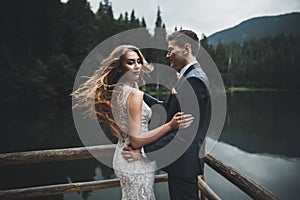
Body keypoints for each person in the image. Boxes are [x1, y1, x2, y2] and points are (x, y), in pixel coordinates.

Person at [71, 45, 194, 200]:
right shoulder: (134, 95)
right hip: (134, 160)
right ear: (120, 68)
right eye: (130, 62)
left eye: (138, 61)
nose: (137, 66)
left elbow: (120, 129)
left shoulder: (119, 91)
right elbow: (136, 140)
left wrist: (175, 94)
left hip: (122, 155)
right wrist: (170, 125)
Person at [122, 30, 211, 200]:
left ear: (186, 48)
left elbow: (185, 134)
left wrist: (142, 153)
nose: (168, 55)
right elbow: (168, 108)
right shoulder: (190, 76)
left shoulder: (194, 80)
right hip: (181, 164)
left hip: (184, 165)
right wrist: (138, 94)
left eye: (171, 49)